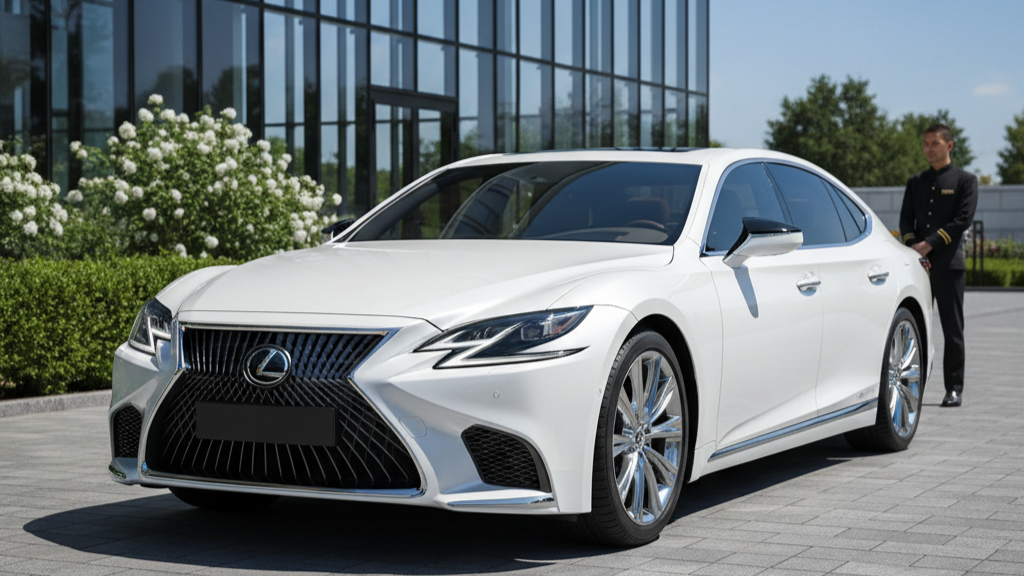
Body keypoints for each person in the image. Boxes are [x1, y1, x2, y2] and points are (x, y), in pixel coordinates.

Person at [899, 124, 978, 407]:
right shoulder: (915, 182)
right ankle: (909, 387)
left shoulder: (965, 181)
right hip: (919, 265)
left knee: (952, 329)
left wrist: (928, 244)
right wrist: (913, 246)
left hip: (948, 265)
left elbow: (962, 220)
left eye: (934, 143)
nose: (929, 148)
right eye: (925, 143)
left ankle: (954, 388)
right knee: (913, 328)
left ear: (949, 146)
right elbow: (906, 221)